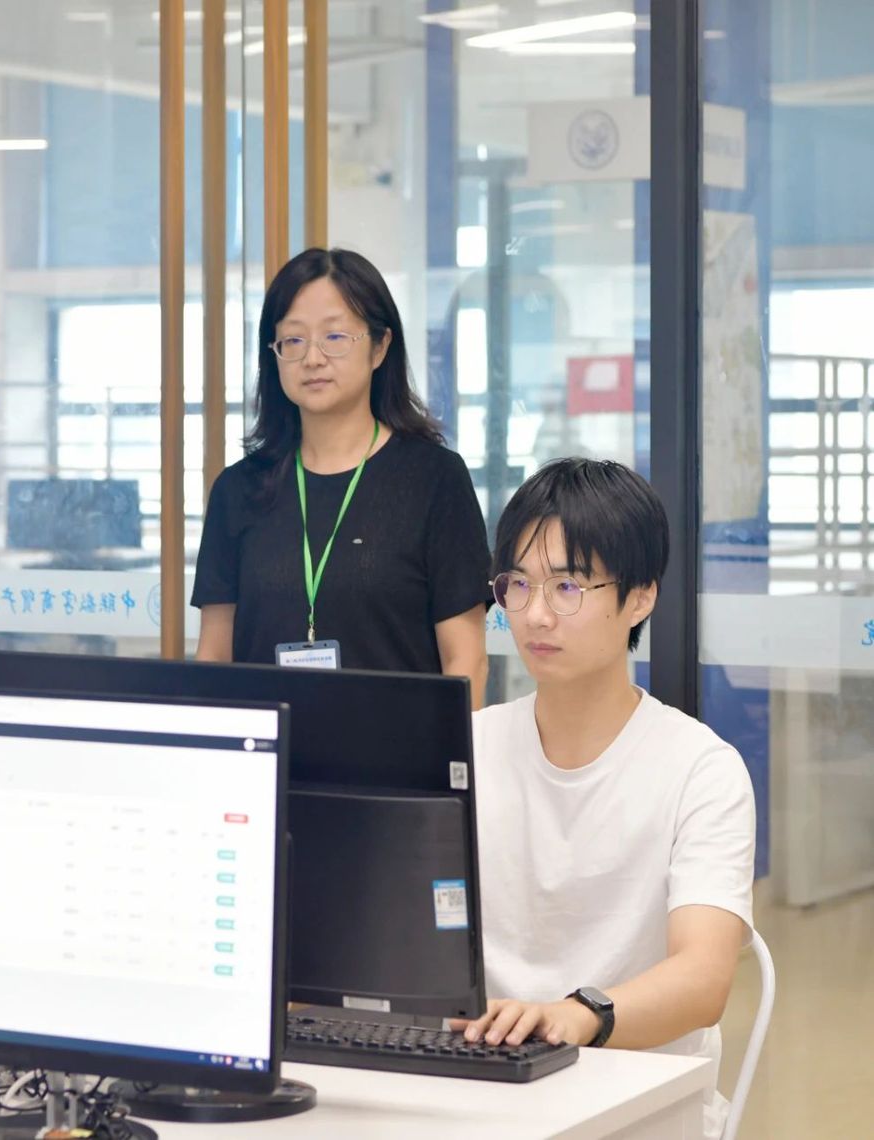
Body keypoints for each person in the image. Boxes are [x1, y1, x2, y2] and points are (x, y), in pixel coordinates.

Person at [457, 458, 755, 1139]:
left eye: (568, 586)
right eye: (517, 585)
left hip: (640, 1107)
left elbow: (704, 979)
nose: (535, 614)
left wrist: (577, 1015)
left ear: (641, 598)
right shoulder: (467, 748)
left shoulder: (701, 770)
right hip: (480, 1091)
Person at [193, 247, 491, 705]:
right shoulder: (238, 490)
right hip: (269, 748)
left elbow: (466, 661)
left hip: (397, 749)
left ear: (380, 346)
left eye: (334, 336)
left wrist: (445, 751)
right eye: (293, 340)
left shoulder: (435, 479)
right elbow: (214, 657)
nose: (312, 358)